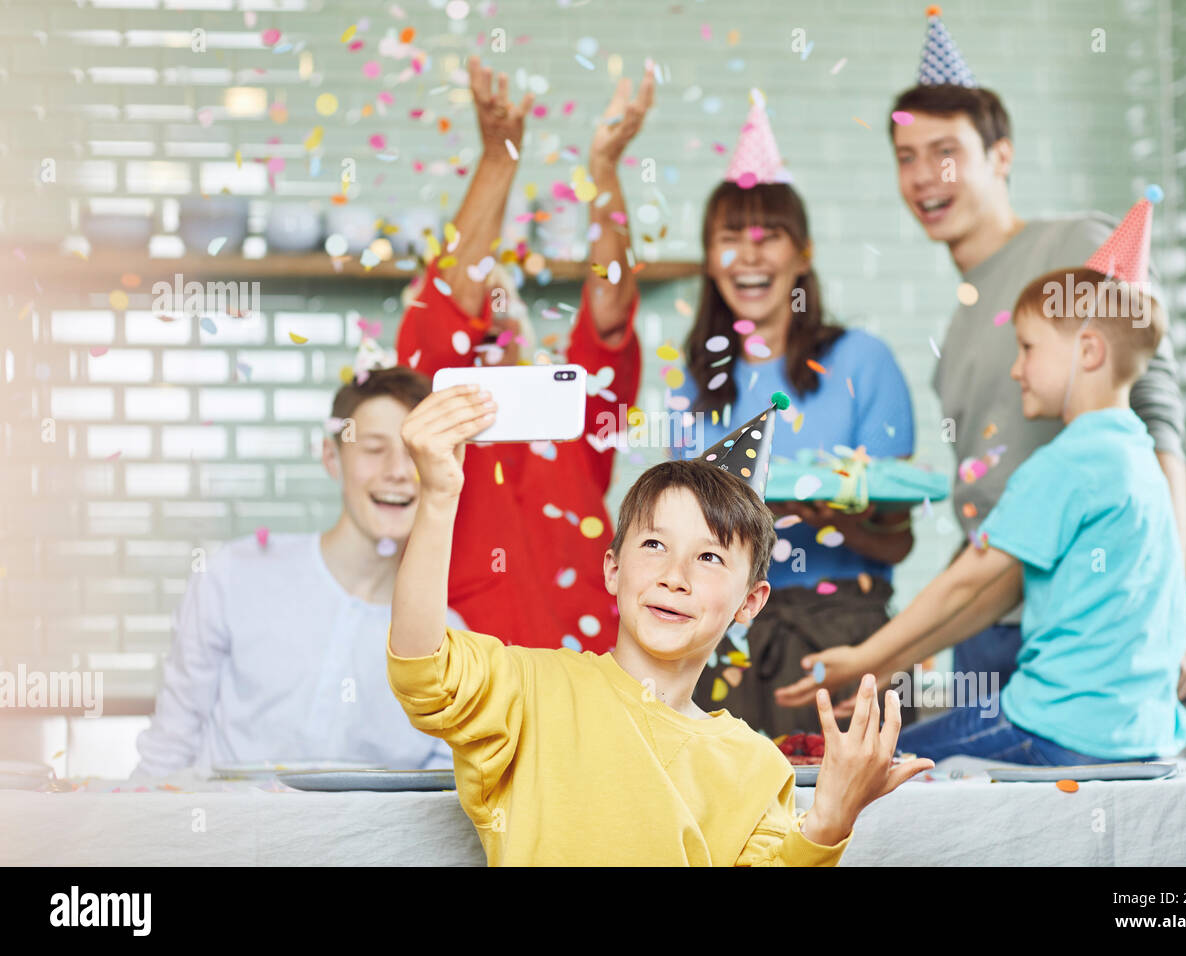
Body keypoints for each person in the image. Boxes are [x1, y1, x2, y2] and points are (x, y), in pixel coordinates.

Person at [387, 389, 933, 864]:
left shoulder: (758, 767)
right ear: (613, 567)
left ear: (750, 601)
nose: (676, 577)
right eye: (654, 545)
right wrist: (437, 498)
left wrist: (830, 820)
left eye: (710, 558)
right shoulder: (530, 690)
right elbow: (424, 670)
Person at [774, 210, 1186, 764]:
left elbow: (966, 585)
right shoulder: (1139, 459)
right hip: (1142, 737)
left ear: (1089, 352)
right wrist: (885, 663)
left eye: (1028, 348)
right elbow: (996, 591)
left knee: (871, 766)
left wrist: (862, 657)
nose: (1017, 369)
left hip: (1054, 726)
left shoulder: (1067, 463)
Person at [885, 8, 1186, 704]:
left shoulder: (1078, 245)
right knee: (984, 811)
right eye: (906, 157)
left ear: (1001, 156)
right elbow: (991, 500)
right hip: (986, 628)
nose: (923, 177)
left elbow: (1160, 426)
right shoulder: (962, 316)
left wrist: (1168, 604)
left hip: (1084, 618)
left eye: (945, 152)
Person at [670, 90, 917, 736]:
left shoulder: (864, 363)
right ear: (710, 258)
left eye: (769, 236)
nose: (749, 255)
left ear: (802, 253)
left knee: (855, 826)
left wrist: (832, 517)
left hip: (843, 638)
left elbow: (900, 538)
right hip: (717, 644)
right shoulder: (691, 387)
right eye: (730, 238)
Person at [394, 55, 652, 653]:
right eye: (480, 307)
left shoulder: (573, 409)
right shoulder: (434, 410)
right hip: (474, 695)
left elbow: (610, 307)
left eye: (506, 298)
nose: (495, 310)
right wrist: (498, 157)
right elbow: (449, 310)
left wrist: (604, 168)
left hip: (597, 687)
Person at [134, 364, 462, 777]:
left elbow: (443, 790)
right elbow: (169, 747)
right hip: (222, 835)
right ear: (332, 458)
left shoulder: (447, 638)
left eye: (415, 454)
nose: (398, 471)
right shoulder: (235, 575)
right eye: (374, 449)